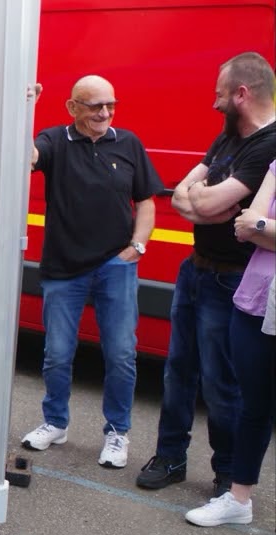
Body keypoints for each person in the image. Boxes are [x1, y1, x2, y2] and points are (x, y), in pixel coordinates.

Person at [137, 52, 276, 496]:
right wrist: (202, 201)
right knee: (177, 371)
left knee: (222, 382)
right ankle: (170, 456)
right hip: (194, 270)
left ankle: (227, 473)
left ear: (242, 93)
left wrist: (202, 201)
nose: (214, 104)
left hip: (232, 280)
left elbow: (206, 203)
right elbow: (180, 197)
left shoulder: (268, 144)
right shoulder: (227, 140)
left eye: (220, 95)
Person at [19, 76, 163, 469]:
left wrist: (137, 247)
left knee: (120, 355)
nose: (104, 113)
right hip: (64, 268)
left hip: (115, 267)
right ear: (72, 107)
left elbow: (147, 201)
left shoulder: (128, 142)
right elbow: (25, 158)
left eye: (110, 105)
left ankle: (117, 433)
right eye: (95, 105)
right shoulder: (55, 140)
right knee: (57, 355)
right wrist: (25, 108)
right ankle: (55, 422)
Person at [183, 161, 275, 527]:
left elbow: (256, 223)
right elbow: (244, 226)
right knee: (253, 407)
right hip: (255, 297)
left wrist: (262, 226)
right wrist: (258, 226)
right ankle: (239, 499)